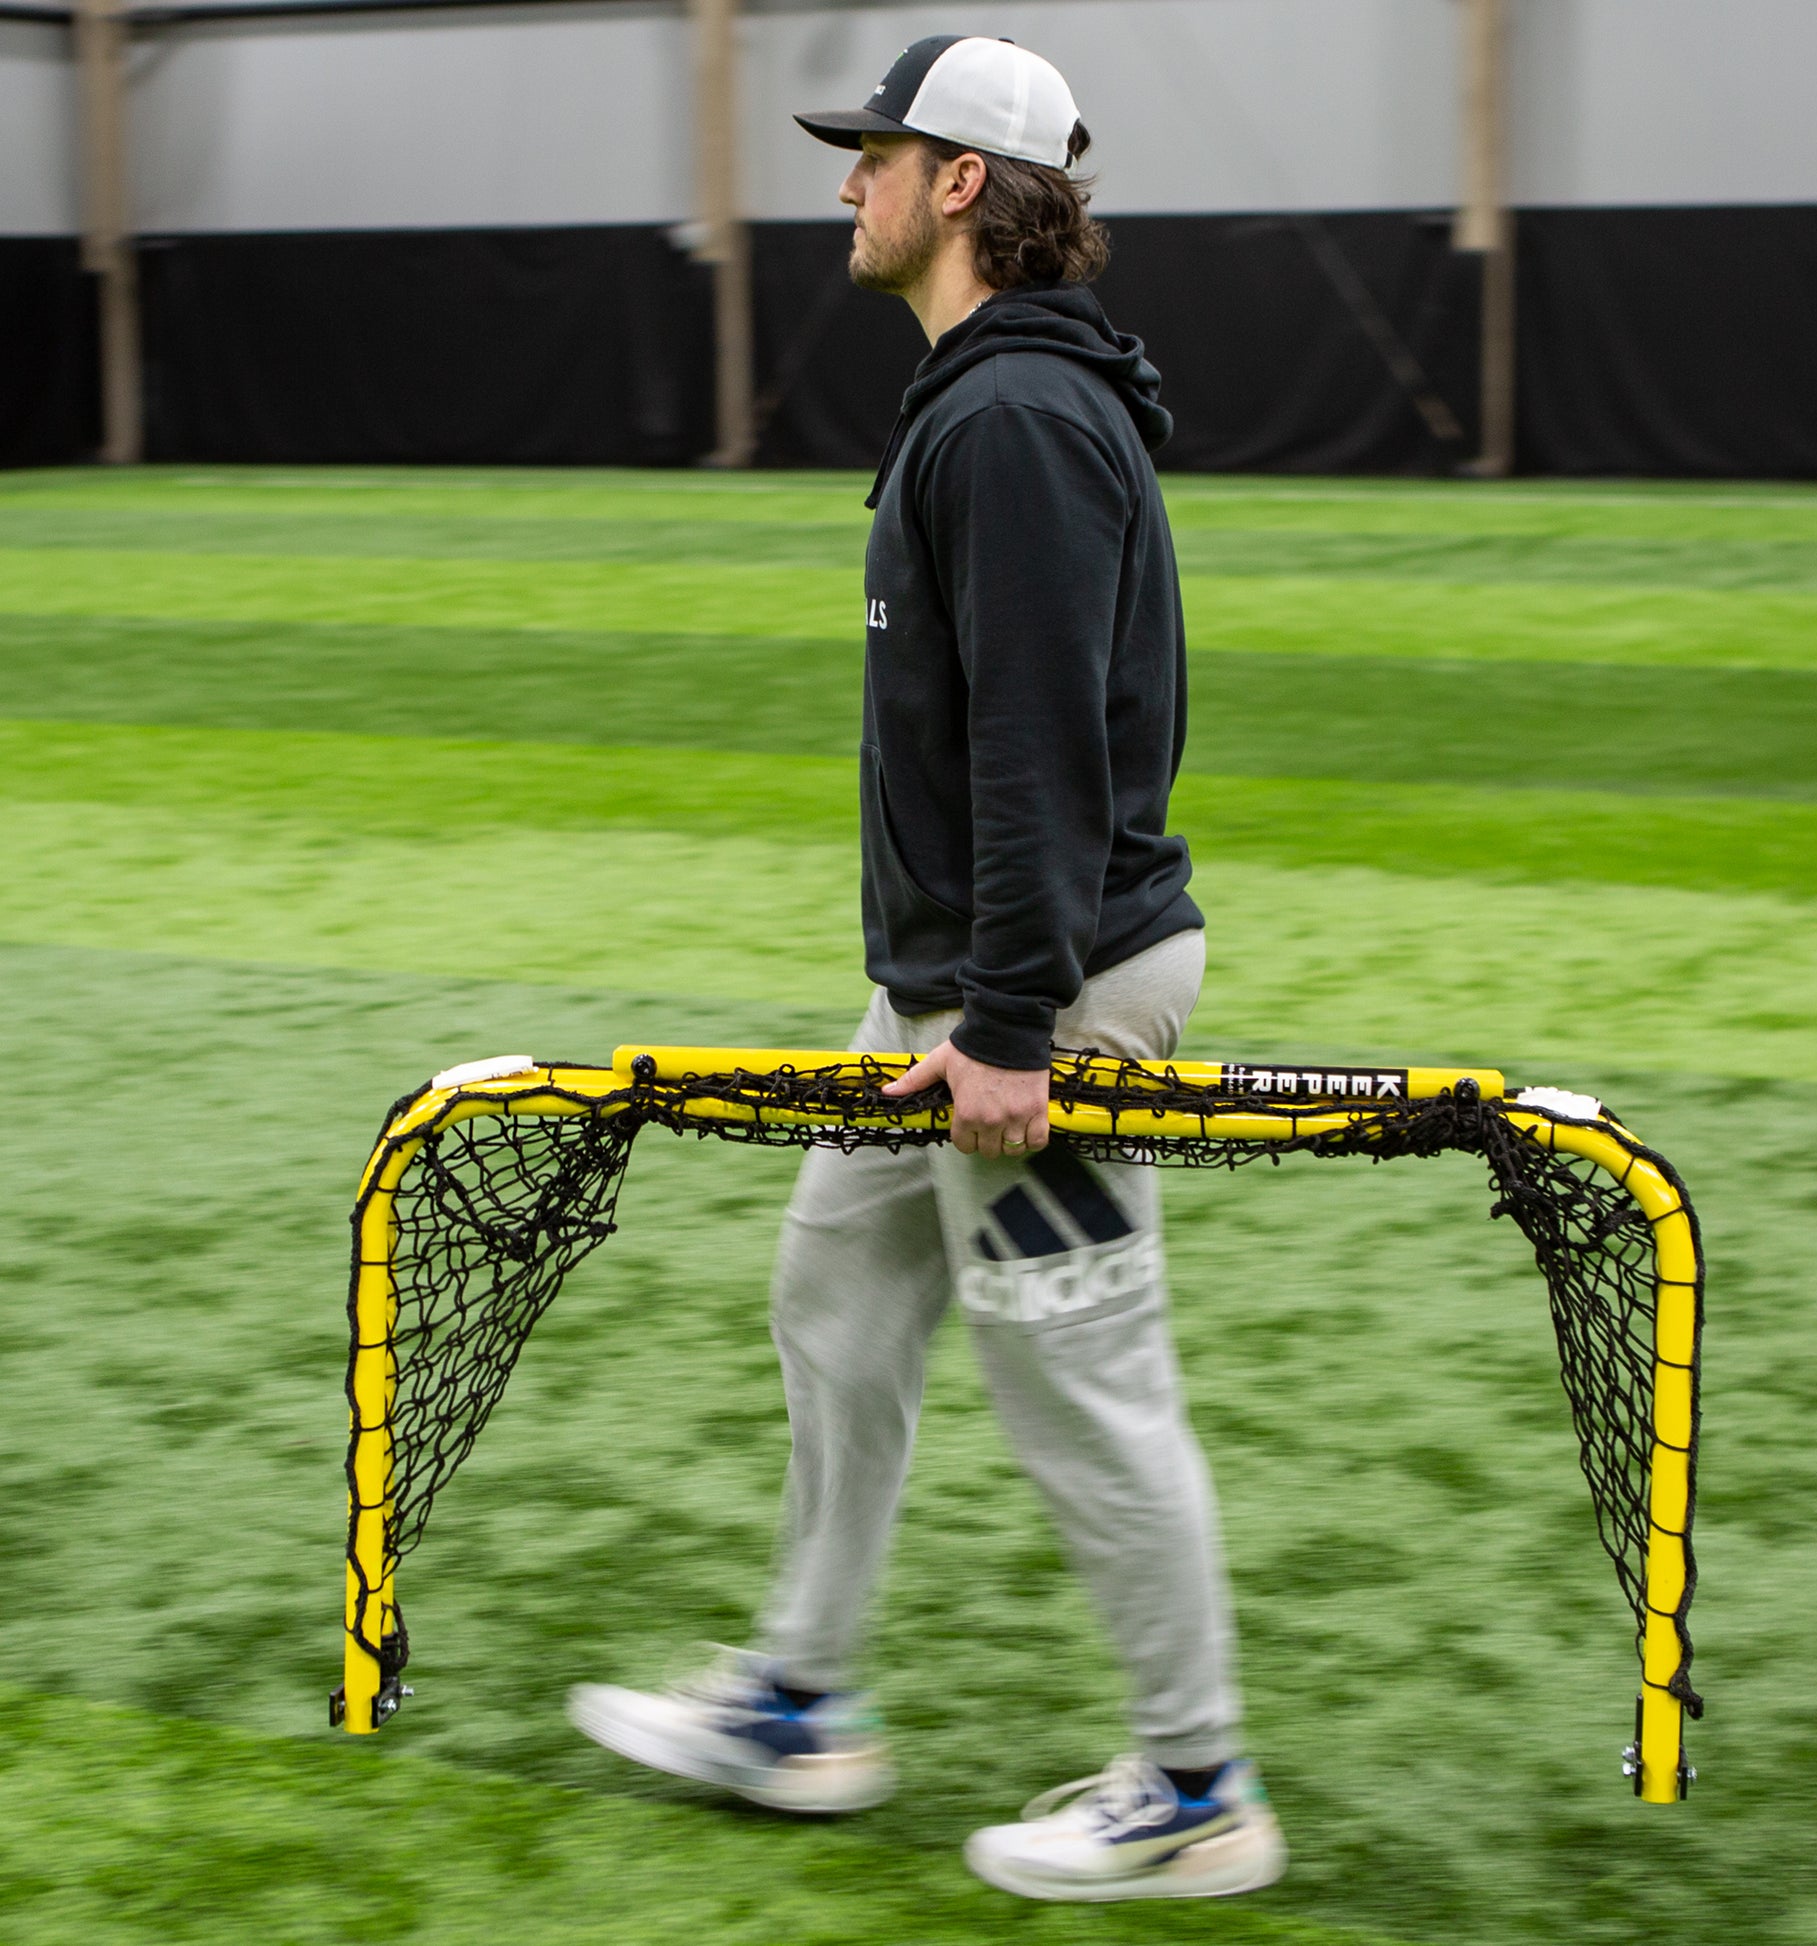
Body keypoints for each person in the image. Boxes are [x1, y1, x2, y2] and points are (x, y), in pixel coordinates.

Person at [569, 34, 1284, 1904]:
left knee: (1080, 1376)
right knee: (836, 1289)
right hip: (954, 988)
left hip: (1034, 989)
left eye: (871, 155)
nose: (845, 185)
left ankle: (1199, 1785)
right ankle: (798, 1697)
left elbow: (1040, 739)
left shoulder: (1017, 421)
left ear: (959, 182)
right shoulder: (990, 400)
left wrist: (1014, 1027)